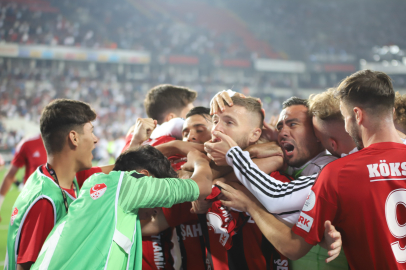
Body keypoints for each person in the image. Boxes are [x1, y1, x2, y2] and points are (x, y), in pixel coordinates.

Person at [219, 69, 406, 269]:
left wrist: (249, 200)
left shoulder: (338, 173)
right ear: (392, 111)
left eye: (345, 117)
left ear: (357, 115)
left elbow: (294, 245)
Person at [31, 145, 213, 270]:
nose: (157, 209)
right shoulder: (132, 184)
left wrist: (172, 144)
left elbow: (126, 161)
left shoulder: (98, 184)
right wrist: (199, 160)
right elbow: (203, 185)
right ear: (144, 177)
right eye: (158, 199)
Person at [5, 99, 98, 270]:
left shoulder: (51, 177)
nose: (96, 139)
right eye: (91, 132)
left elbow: (117, 171)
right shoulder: (46, 201)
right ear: (74, 138)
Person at [0, 134, 47, 221]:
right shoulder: (27, 144)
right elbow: (10, 175)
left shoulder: (68, 142)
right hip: (32, 205)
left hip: (62, 206)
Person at [308, 89, 356, 157]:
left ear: (333, 144)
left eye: (319, 138)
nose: (317, 141)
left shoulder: (333, 167)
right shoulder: (375, 151)